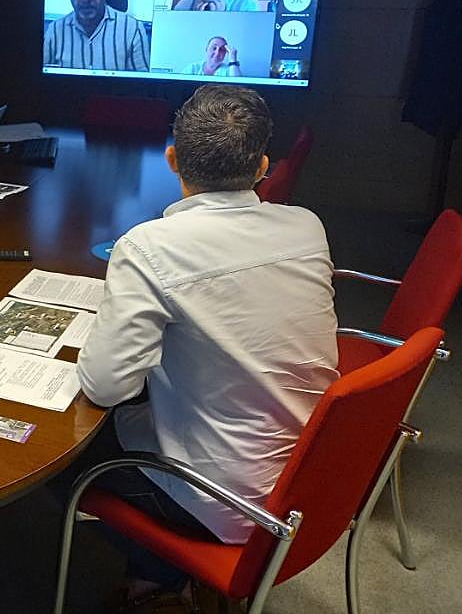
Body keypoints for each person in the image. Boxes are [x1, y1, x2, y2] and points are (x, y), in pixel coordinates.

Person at [53, 85, 337, 608]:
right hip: (307, 478)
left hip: (223, 498)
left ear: (172, 160)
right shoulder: (307, 226)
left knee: (51, 452)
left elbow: (105, 386)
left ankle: (160, 578)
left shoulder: (149, 248)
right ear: (263, 167)